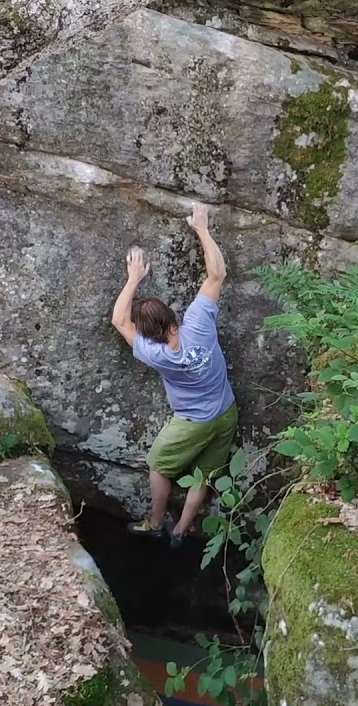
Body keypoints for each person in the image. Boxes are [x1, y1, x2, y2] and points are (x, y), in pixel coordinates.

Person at [109, 203, 238, 548]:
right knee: (204, 475)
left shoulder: (154, 353)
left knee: (158, 464)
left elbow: (119, 321)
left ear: (146, 334)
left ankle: (155, 522)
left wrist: (133, 278)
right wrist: (202, 228)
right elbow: (217, 274)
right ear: (171, 316)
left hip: (192, 422)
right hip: (226, 412)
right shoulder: (198, 323)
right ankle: (180, 531)